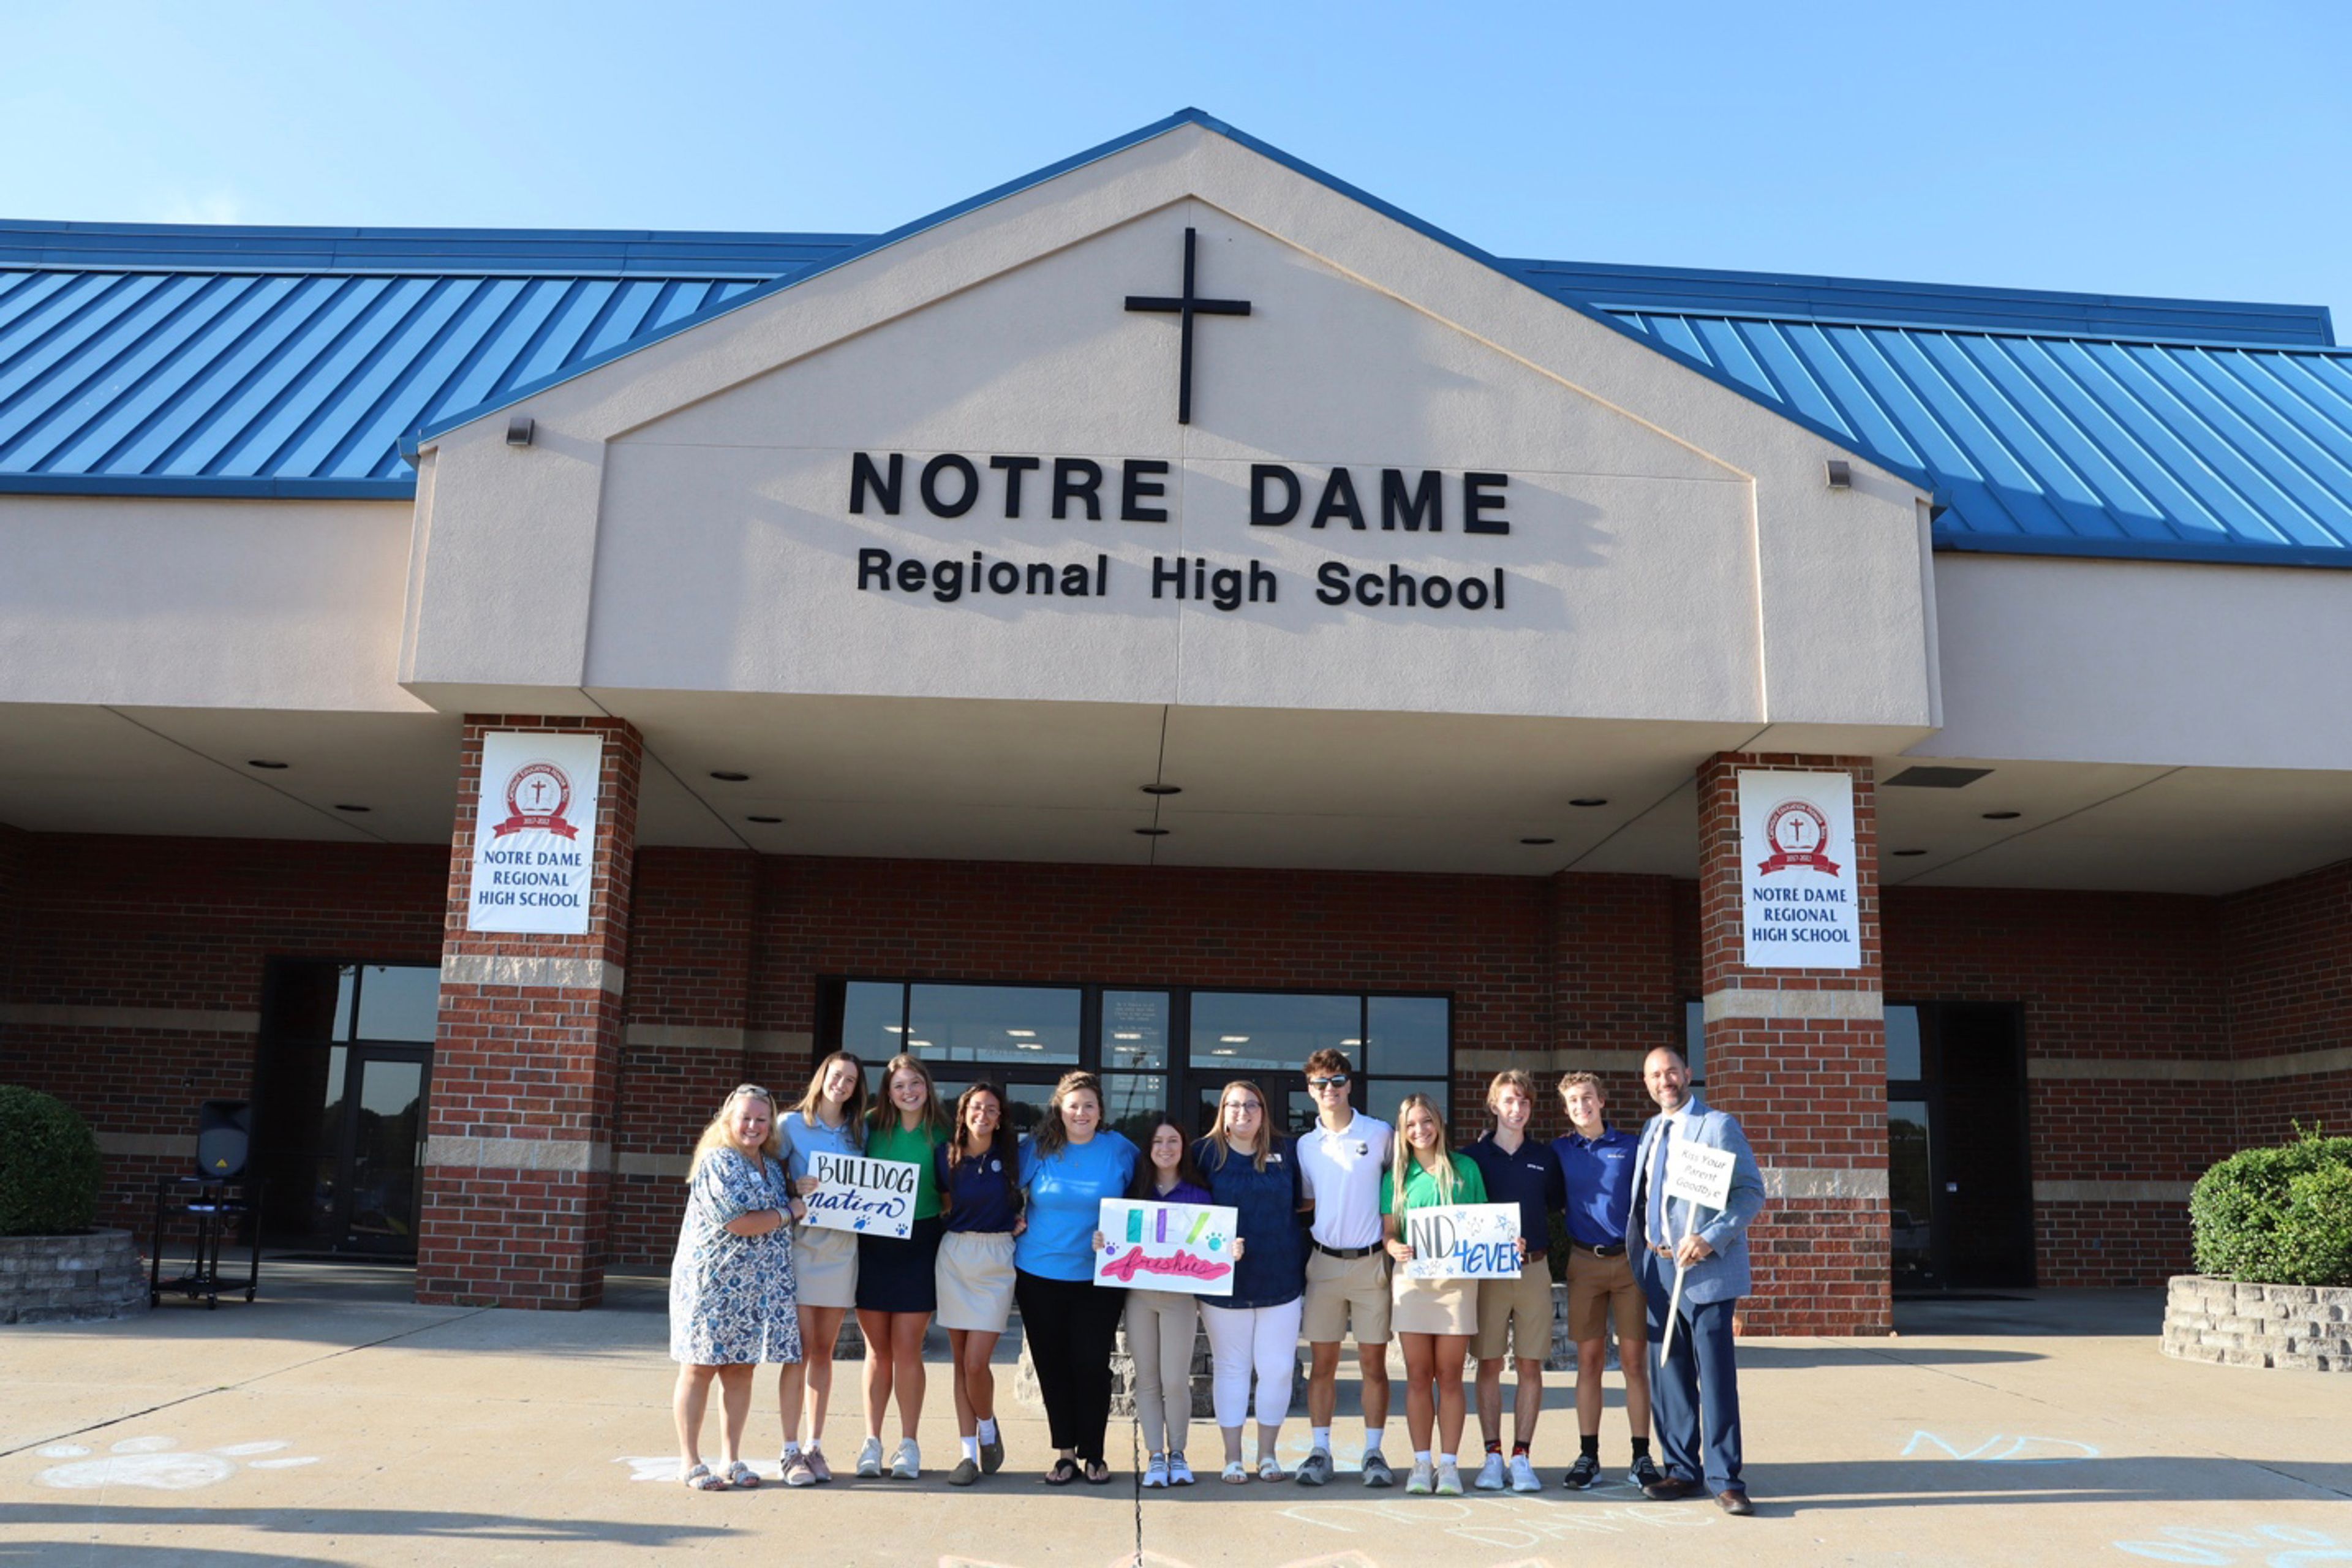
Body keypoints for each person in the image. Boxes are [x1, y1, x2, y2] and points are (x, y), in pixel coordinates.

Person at [1627, 1045, 1766, 1515]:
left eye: (1671, 1072)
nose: (1664, 1081)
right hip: (1659, 1267)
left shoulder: (1717, 1126)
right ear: (1646, 1083)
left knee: (1716, 1377)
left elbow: (1750, 1192)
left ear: (1687, 1074)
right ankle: (1682, 1470)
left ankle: (1725, 1478)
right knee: (1669, 1373)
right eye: (1654, 1075)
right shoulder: (1651, 1130)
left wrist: (1709, 1238)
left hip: (1705, 1269)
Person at [669, 1084, 802, 1491]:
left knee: (741, 1369)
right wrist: (788, 1212)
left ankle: (731, 1458)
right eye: (745, 1117)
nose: (753, 1126)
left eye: (762, 1119)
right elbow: (738, 1222)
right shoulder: (717, 1161)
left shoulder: (770, 1163)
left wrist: (800, 1194)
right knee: (700, 1367)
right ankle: (690, 1461)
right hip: (712, 1284)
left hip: (755, 1289)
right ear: (728, 1119)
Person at [1014, 1069, 1138, 1485]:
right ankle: (1065, 1454)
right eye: (1073, 1106)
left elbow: (1149, 1195)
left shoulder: (1119, 1150)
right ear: (1060, 1110)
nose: (1081, 1113)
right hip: (1038, 1273)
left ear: (1100, 1110)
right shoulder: (1038, 1148)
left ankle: (1095, 1454)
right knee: (1052, 1365)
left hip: (1098, 1278)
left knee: (1091, 1364)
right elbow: (1002, 1189)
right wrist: (1009, 1218)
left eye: (1089, 1105)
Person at [1194, 1079, 1306, 1485]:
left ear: (1264, 1112)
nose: (1243, 1113)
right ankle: (1232, 1458)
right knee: (1231, 1369)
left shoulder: (1289, 1152)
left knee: (1277, 1370)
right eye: (1234, 1106)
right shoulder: (1203, 1154)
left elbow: (1307, 1201)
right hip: (1224, 1285)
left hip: (1281, 1277)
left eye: (1252, 1105)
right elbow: (1185, 1213)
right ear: (1222, 1112)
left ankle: (1268, 1455)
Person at [1551, 1068, 1658, 1492]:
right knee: (1589, 1363)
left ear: (1602, 1100)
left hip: (1629, 1263)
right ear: (1566, 1108)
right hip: (1584, 1263)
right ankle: (1589, 1455)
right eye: (1573, 1100)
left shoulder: (1631, 1147)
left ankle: (1641, 1456)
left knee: (1634, 1364)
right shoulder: (1560, 1149)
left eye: (1588, 1097)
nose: (1582, 1105)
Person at [1381, 1091, 1492, 1498]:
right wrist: (1392, 1246)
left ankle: (1448, 1465)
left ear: (1439, 1123)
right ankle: (1420, 1461)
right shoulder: (1396, 1176)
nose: (1420, 1130)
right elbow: (1390, 1231)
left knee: (1449, 1376)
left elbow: (1483, 1224)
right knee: (1416, 1376)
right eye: (1411, 1124)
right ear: (1403, 1131)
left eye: (1426, 1121)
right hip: (1412, 1282)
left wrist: (1507, 1242)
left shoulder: (1465, 1169)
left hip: (1456, 1285)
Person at [1295, 1047, 1395, 1488]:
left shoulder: (1379, 1134)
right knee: (1323, 1365)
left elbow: (1402, 1189)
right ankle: (1321, 1451)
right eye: (1321, 1083)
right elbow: (1308, 1202)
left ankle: (1374, 1452)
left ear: (1350, 1085)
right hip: (1324, 1264)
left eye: (1337, 1081)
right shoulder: (1305, 1145)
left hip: (1372, 1263)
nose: (1329, 1090)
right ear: (1310, 1090)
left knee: (1374, 1364)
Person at [1462, 1069, 1564, 1493]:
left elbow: (1557, 1209)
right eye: (1508, 1101)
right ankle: (1491, 1456)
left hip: (1534, 1269)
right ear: (1493, 1105)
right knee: (1487, 1363)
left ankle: (1522, 1457)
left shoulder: (1546, 1157)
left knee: (1529, 1364)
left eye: (1523, 1102)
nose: (1517, 1109)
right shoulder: (1472, 1159)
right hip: (1487, 1273)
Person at [854, 1052, 949, 1479]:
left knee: (909, 1348)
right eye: (899, 1086)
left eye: (915, 1083)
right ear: (887, 1093)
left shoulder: (945, 1131)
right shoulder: (870, 1125)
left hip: (921, 1241)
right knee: (877, 1350)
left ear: (926, 1086)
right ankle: (871, 1443)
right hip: (873, 1242)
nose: (908, 1092)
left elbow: (954, 1190)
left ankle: (908, 1445)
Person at [780, 1050, 865, 1485]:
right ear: (823, 1078)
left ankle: (815, 1446)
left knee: (823, 1352)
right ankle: (790, 1450)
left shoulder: (859, 1130)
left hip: (841, 1250)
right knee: (797, 1350)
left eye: (851, 1080)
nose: (843, 1085)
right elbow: (765, 1173)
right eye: (837, 1076)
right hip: (801, 1247)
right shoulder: (789, 1125)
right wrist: (793, 1186)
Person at [1118, 1117, 1214, 1490]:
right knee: (1147, 1379)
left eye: (1173, 1141)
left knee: (1175, 1380)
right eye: (1158, 1141)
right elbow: (1121, 1244)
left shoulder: (1199, 1195)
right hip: (1140, 1297)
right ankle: (1155, 1455)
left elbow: (1211, 1246)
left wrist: (1228, 1249)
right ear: (1149, 1148)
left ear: (1183, 1146)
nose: (1165, 1148)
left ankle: (1178, 1453)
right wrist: (1103, 1241)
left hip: (1179, 1300)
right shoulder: (1135, 1192)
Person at [935, 1081, 1022, 1487]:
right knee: (959, 1362)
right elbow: (939, 1203)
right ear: (964, 1113)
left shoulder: (1015, 1157)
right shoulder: (945, 1157)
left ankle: (987, 1426)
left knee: (976, 1362)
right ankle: (968, 1453)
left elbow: (1036, 1196)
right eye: (975, 1108)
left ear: (1000, 1117)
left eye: (991, 1109)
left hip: (997, 1257)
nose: (982, 1115)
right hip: (955, 1256)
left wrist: (1025, 1221)